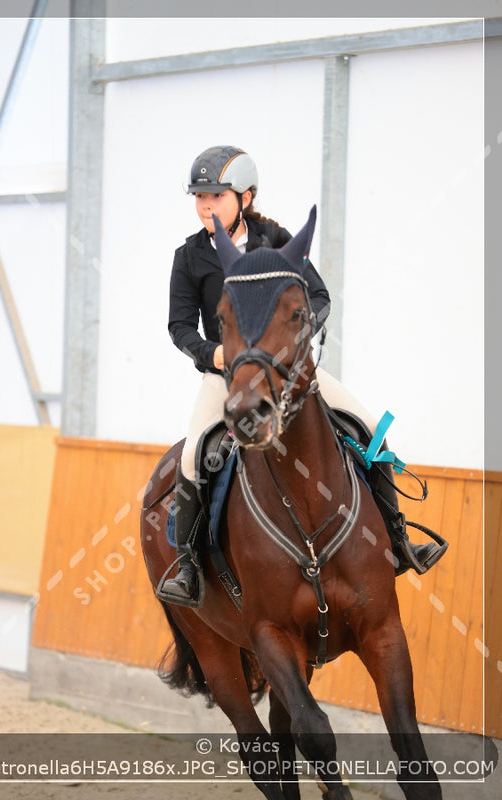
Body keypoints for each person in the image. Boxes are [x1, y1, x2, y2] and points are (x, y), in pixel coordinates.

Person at [161, 145, 445, 605]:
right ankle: (189, 567)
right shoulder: (189, 256)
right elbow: (178, 325)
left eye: (215, 195)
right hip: (226, 377)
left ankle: (398, 541)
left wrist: (291, 341)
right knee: (195, 455)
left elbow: (319, 296)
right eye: (200, 197)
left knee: (371, 430)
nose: (205, 205)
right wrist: (212, 353)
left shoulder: (276, 241)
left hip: (286, 374)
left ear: (245, 197)